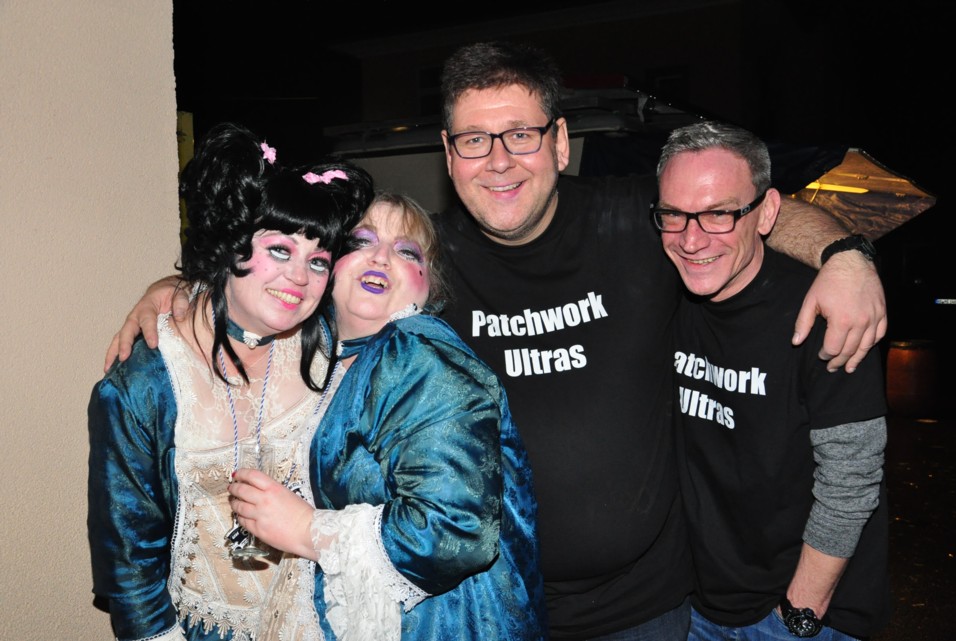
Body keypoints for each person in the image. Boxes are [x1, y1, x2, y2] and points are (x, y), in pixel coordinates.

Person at [105, 42, 887, 640]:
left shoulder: (637, 221)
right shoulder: (421, 260)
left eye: (520, 134)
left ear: (559, 142)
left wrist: (844, 253)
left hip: (645, 610)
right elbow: (294, 265)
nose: (499, 160)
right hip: (485, 609)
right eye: (474, 140)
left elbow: (743, 211)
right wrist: (184, 287)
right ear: (449, 156)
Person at [88, 122, 374, 641]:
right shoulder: (143, 384)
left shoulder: (331, 346)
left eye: (317, 261)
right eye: (280, 250)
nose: (300, 278)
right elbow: (129, 564)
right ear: (231, 241)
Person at [227, 192, 546, 641]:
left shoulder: (416, 353)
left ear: (430, 287)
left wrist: (305, 529)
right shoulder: (327, 357)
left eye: (406, 251)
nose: (380, 257)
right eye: (361, 242)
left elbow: (457, 531)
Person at [654, 120, 889, 639]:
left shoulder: (826, 311)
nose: (691, 239)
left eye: (719, 213)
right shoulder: (660, 291)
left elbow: (850, 480)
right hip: (694, 602)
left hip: (799, 613)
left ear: (766, 213)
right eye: (674, 214)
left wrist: (800, 610)